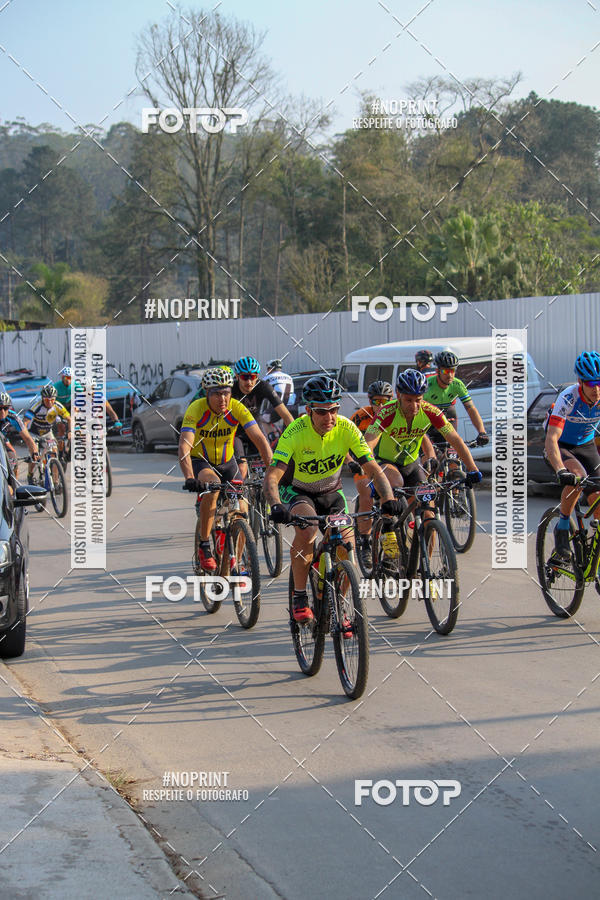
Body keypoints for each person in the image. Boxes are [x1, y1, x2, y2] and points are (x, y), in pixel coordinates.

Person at [263, 375, 399, 623]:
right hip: (298, 491)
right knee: (308, 529)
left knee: (347, 548)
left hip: (331, 492)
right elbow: (272, 476)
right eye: (322, 412)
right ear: (309, 410)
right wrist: (276, 505)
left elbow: (372, 467)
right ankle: (300, 596)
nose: (330, 418)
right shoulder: (295, 432)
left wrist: (388, 498)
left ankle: (340, 604)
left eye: (334, 410)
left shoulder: (347, 428)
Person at [364, 369, 482, 554]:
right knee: (395, 483)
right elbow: (368, 445)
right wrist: (372, 476)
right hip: (386, 463)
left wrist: (472, 468)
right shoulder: (387, 412)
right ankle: (387, 532)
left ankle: (425, 570)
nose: (414, 405)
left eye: (418, 399)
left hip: (412, 465)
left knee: (429, 514)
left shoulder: (429, 411)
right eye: (408, 400)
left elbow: (456, 440)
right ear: (398, 395)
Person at [178, 367, 272, 572]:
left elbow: (260, 440)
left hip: (228, 462)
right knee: (212, 488)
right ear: (207, 394)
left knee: (242, 510)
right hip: (202, 462)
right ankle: (204, 544)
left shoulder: (236, 408)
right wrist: (189, 477)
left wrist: (273, 475)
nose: (223, 398)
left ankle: (234, 561)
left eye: (226, 392)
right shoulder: (196, 409)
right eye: (217, 393)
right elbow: (185, 446)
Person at [544, 351, 600, 560]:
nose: (596, 389)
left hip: (586, 446)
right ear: (580, 382)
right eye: (591, 383)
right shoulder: (568, 397)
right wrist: (560, 469)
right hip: (561, 445)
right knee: (577, 477)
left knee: (597, 498)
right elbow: (551, 438)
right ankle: (563, 526)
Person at [348, 380, 395, 569]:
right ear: (370, 401)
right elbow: (342, 441)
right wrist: (351, 462)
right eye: (377, 402)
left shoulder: (396, 415)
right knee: (366, 493)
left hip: (386, 463)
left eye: (386, 401)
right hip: (363, 463)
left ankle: (395, 535)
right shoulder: (359, 417)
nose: (381, 406)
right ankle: (365, 541)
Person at [232, 356, 293, 475]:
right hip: (236, 430)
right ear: (237, 376)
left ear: (257, 376)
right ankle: (240, 491)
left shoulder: (263, 386)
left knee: (269, 462)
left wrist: (296, 436)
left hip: (255, 426)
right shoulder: (231, 389)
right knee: (242, 467)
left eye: (253, 377)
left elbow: (285, 415)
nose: (249, 382)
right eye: (245, 377)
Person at [424, 349, 489, 447]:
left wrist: (482, 432)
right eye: (446, 371)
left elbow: (471, 409)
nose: (449, 375)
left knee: (456, 452)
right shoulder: (427, 385)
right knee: (429, 456)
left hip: (448, 420)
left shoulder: (457, 385)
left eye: (452, 370)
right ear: (437, 371)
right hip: (428, 421)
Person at [23, 384, 71, 483]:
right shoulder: (36, 406)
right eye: (47, 400)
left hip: (47, 433)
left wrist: (70, 431)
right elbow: (26, 420)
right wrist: (25, 434)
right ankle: (30, 474)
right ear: (42, 399)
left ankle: (55, 481)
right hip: (34, 433)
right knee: (34, 456)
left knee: (54, 454)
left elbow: (69, 419)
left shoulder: (58, 406)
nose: (50, 402)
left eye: (52, 399)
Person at [0, 391, 39, 477]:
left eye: (5, 408)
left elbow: (27, 438)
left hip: (3, 441)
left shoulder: (13, 417)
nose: (2, 412)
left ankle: (15, 489)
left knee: (14, 463)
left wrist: (34, 452)